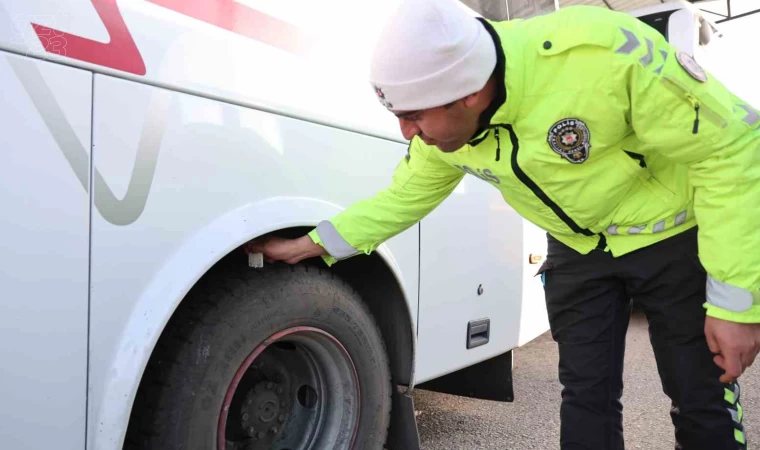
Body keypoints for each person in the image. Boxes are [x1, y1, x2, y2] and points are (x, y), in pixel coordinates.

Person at [247, 0, 760, 448]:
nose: (406, 133)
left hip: (670, 239)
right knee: (586, 398)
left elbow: (734, 147)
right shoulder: (443, 131)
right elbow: (403, 198)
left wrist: (737, 302)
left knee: (700, 397)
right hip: (577, 251)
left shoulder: (600, 57)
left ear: (468, 94)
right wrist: (312, 245)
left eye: (415, 116)